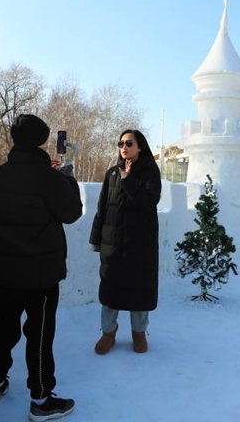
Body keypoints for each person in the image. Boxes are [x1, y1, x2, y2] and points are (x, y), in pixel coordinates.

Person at [0, 114, 83, 422]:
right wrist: (67, 178)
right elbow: (71, 213)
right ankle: (40, 399)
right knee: (39, 334)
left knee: (2, 326)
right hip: (41, 272)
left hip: (7, 268)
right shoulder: (48, 178)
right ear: (41, 140)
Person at [90, 129, 161, 355]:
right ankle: (108, 332)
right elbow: (102, 208)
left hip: (140, 245)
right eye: (121, 143)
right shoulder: (112, 173)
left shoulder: (150, 173)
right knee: (110, 290)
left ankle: (139, 332)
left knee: (139, 289)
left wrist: (129, 180)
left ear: (140, 146)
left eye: (129, 143)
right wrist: (96, 239)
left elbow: (148, 203)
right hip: (113, 244)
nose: (124, 147)